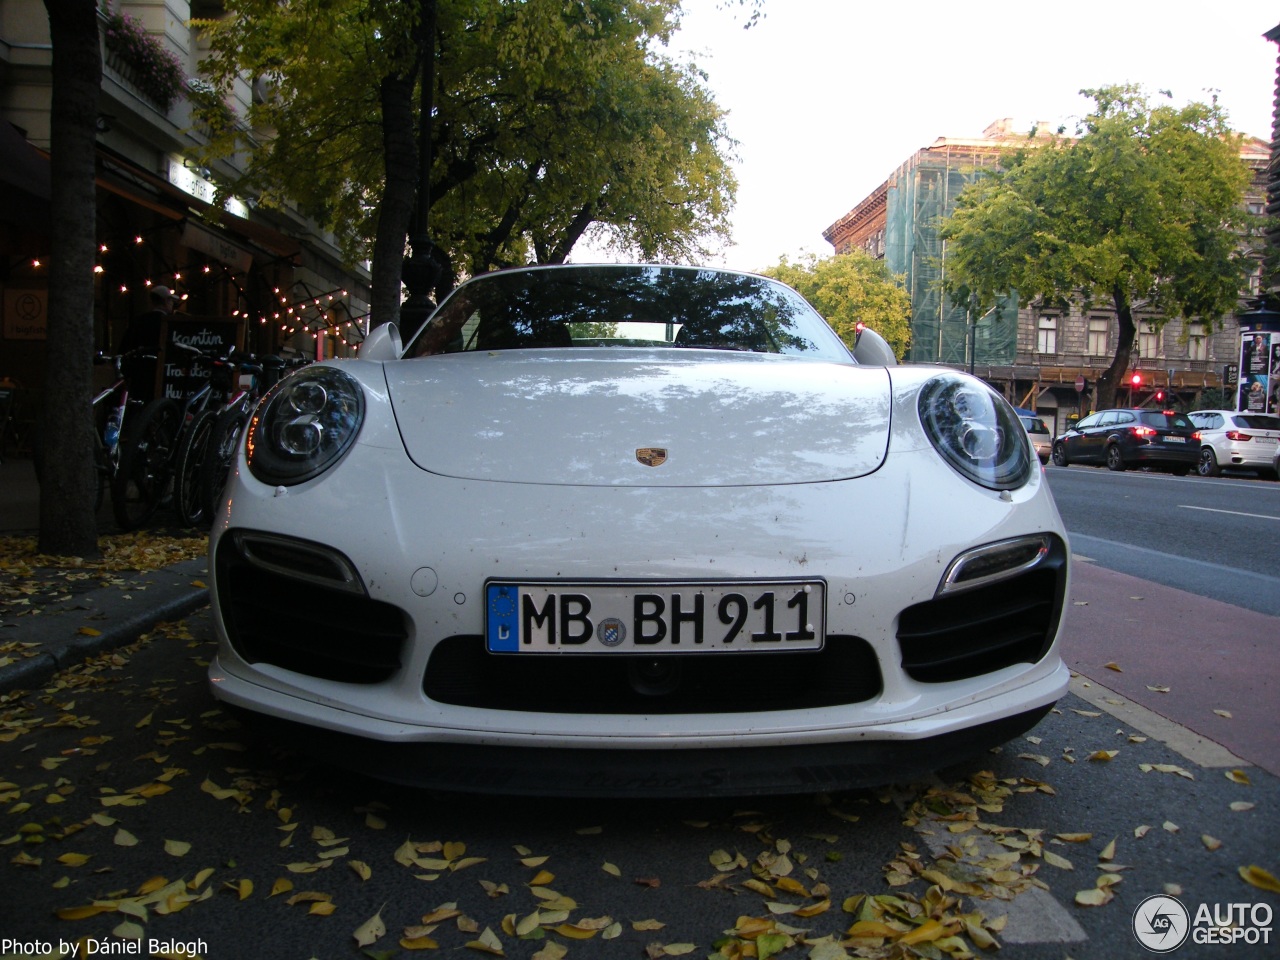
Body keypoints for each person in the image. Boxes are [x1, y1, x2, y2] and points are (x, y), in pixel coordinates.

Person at [120, 285, 179, 402]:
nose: (172, 304)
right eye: (171, 301)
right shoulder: (168, 323)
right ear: (166, 301)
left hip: (137, 374)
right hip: (161, 374)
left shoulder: (138, 321)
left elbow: (124, 347)